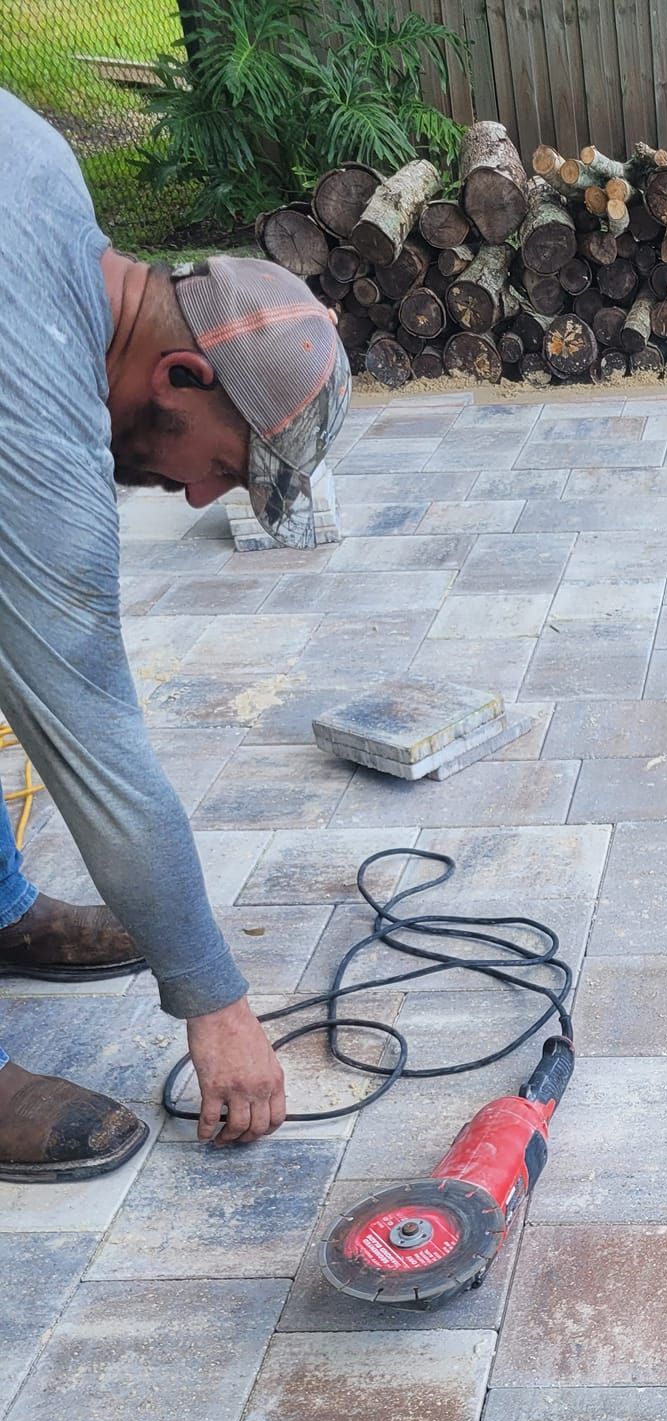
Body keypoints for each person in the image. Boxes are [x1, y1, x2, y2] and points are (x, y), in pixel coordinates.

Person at [0, 88, 350, 1182]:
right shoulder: (34, 427)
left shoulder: (42, 168)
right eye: (224, 466)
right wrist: (215, 998)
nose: (201, 500)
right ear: (184, 375)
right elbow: (92, 733)